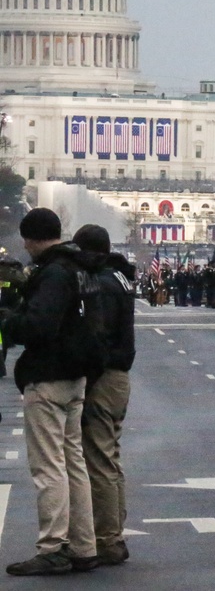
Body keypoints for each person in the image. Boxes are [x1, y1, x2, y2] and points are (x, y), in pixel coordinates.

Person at [2, 209, 100, 575]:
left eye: (26, 241)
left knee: (48, 467)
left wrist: (11, 322)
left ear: (32, 238)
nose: (25, 247)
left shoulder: (53, 273)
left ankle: (53, 545)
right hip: (76, 374)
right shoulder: (79, 267)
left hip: (49, 374)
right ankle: (83, 544)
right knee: (73, 462)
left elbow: (39, 326)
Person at [72, 224, 135, 566]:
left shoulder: (105, 284)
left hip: (105, 374)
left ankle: (107, 536)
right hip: (118, 374)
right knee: (108, 455)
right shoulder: (120, 279)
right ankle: (112, 531)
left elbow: (99, 334)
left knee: (98, 457)